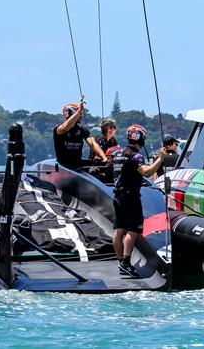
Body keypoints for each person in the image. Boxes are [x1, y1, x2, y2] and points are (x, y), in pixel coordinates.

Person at [111, 124, 166, 278]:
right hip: (130, 197)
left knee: (118, 230)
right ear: (140, 138)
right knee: (133, 230)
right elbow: (147, 172)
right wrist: (160, 159)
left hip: (118, 196)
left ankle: (121, 261)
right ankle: (126, 263)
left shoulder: (118, 153)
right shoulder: (136, 156)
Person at [53, 96, 106, 169]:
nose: (80, 116)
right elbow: (65, 127)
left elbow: (93, 144)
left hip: (77, 164)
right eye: (78, 114)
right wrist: (79, 110)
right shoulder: (59, 129)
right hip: (63, 165)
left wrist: (104, 158)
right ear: (70, 115)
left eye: (80, 113)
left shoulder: (82, 129)